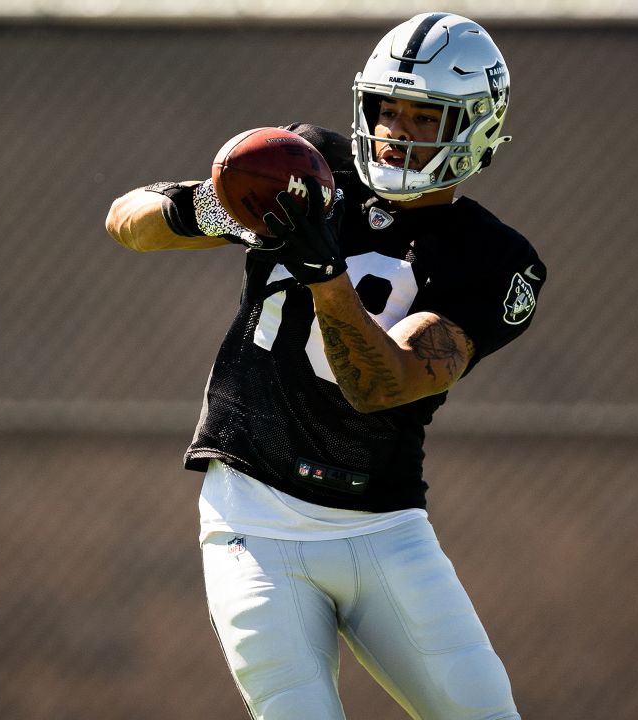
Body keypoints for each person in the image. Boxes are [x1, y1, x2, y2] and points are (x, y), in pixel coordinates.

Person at [106, 12, 544, 719]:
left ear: (475, 127)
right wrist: (220, 207)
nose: (396, 131)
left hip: (384, 529)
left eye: (422, 117)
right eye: (386, 110)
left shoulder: (494, 259)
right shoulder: (310, 170)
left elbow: (384, 386)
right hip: (257, 523)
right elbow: (125, 219)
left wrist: (322, 273)